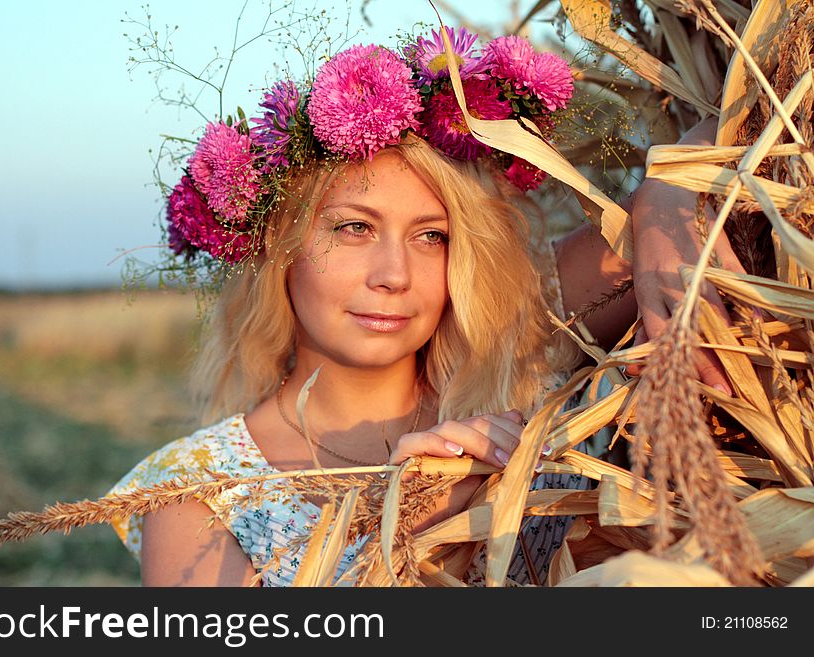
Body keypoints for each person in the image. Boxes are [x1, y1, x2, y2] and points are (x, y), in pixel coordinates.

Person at [107, 31, 741, 586]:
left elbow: (756, 116)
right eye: (354, 228)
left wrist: (666, 197)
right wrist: (421, 526)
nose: (395, 276)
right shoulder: (201, 496)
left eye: (431, 236)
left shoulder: (521, 351)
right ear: (282, 245)